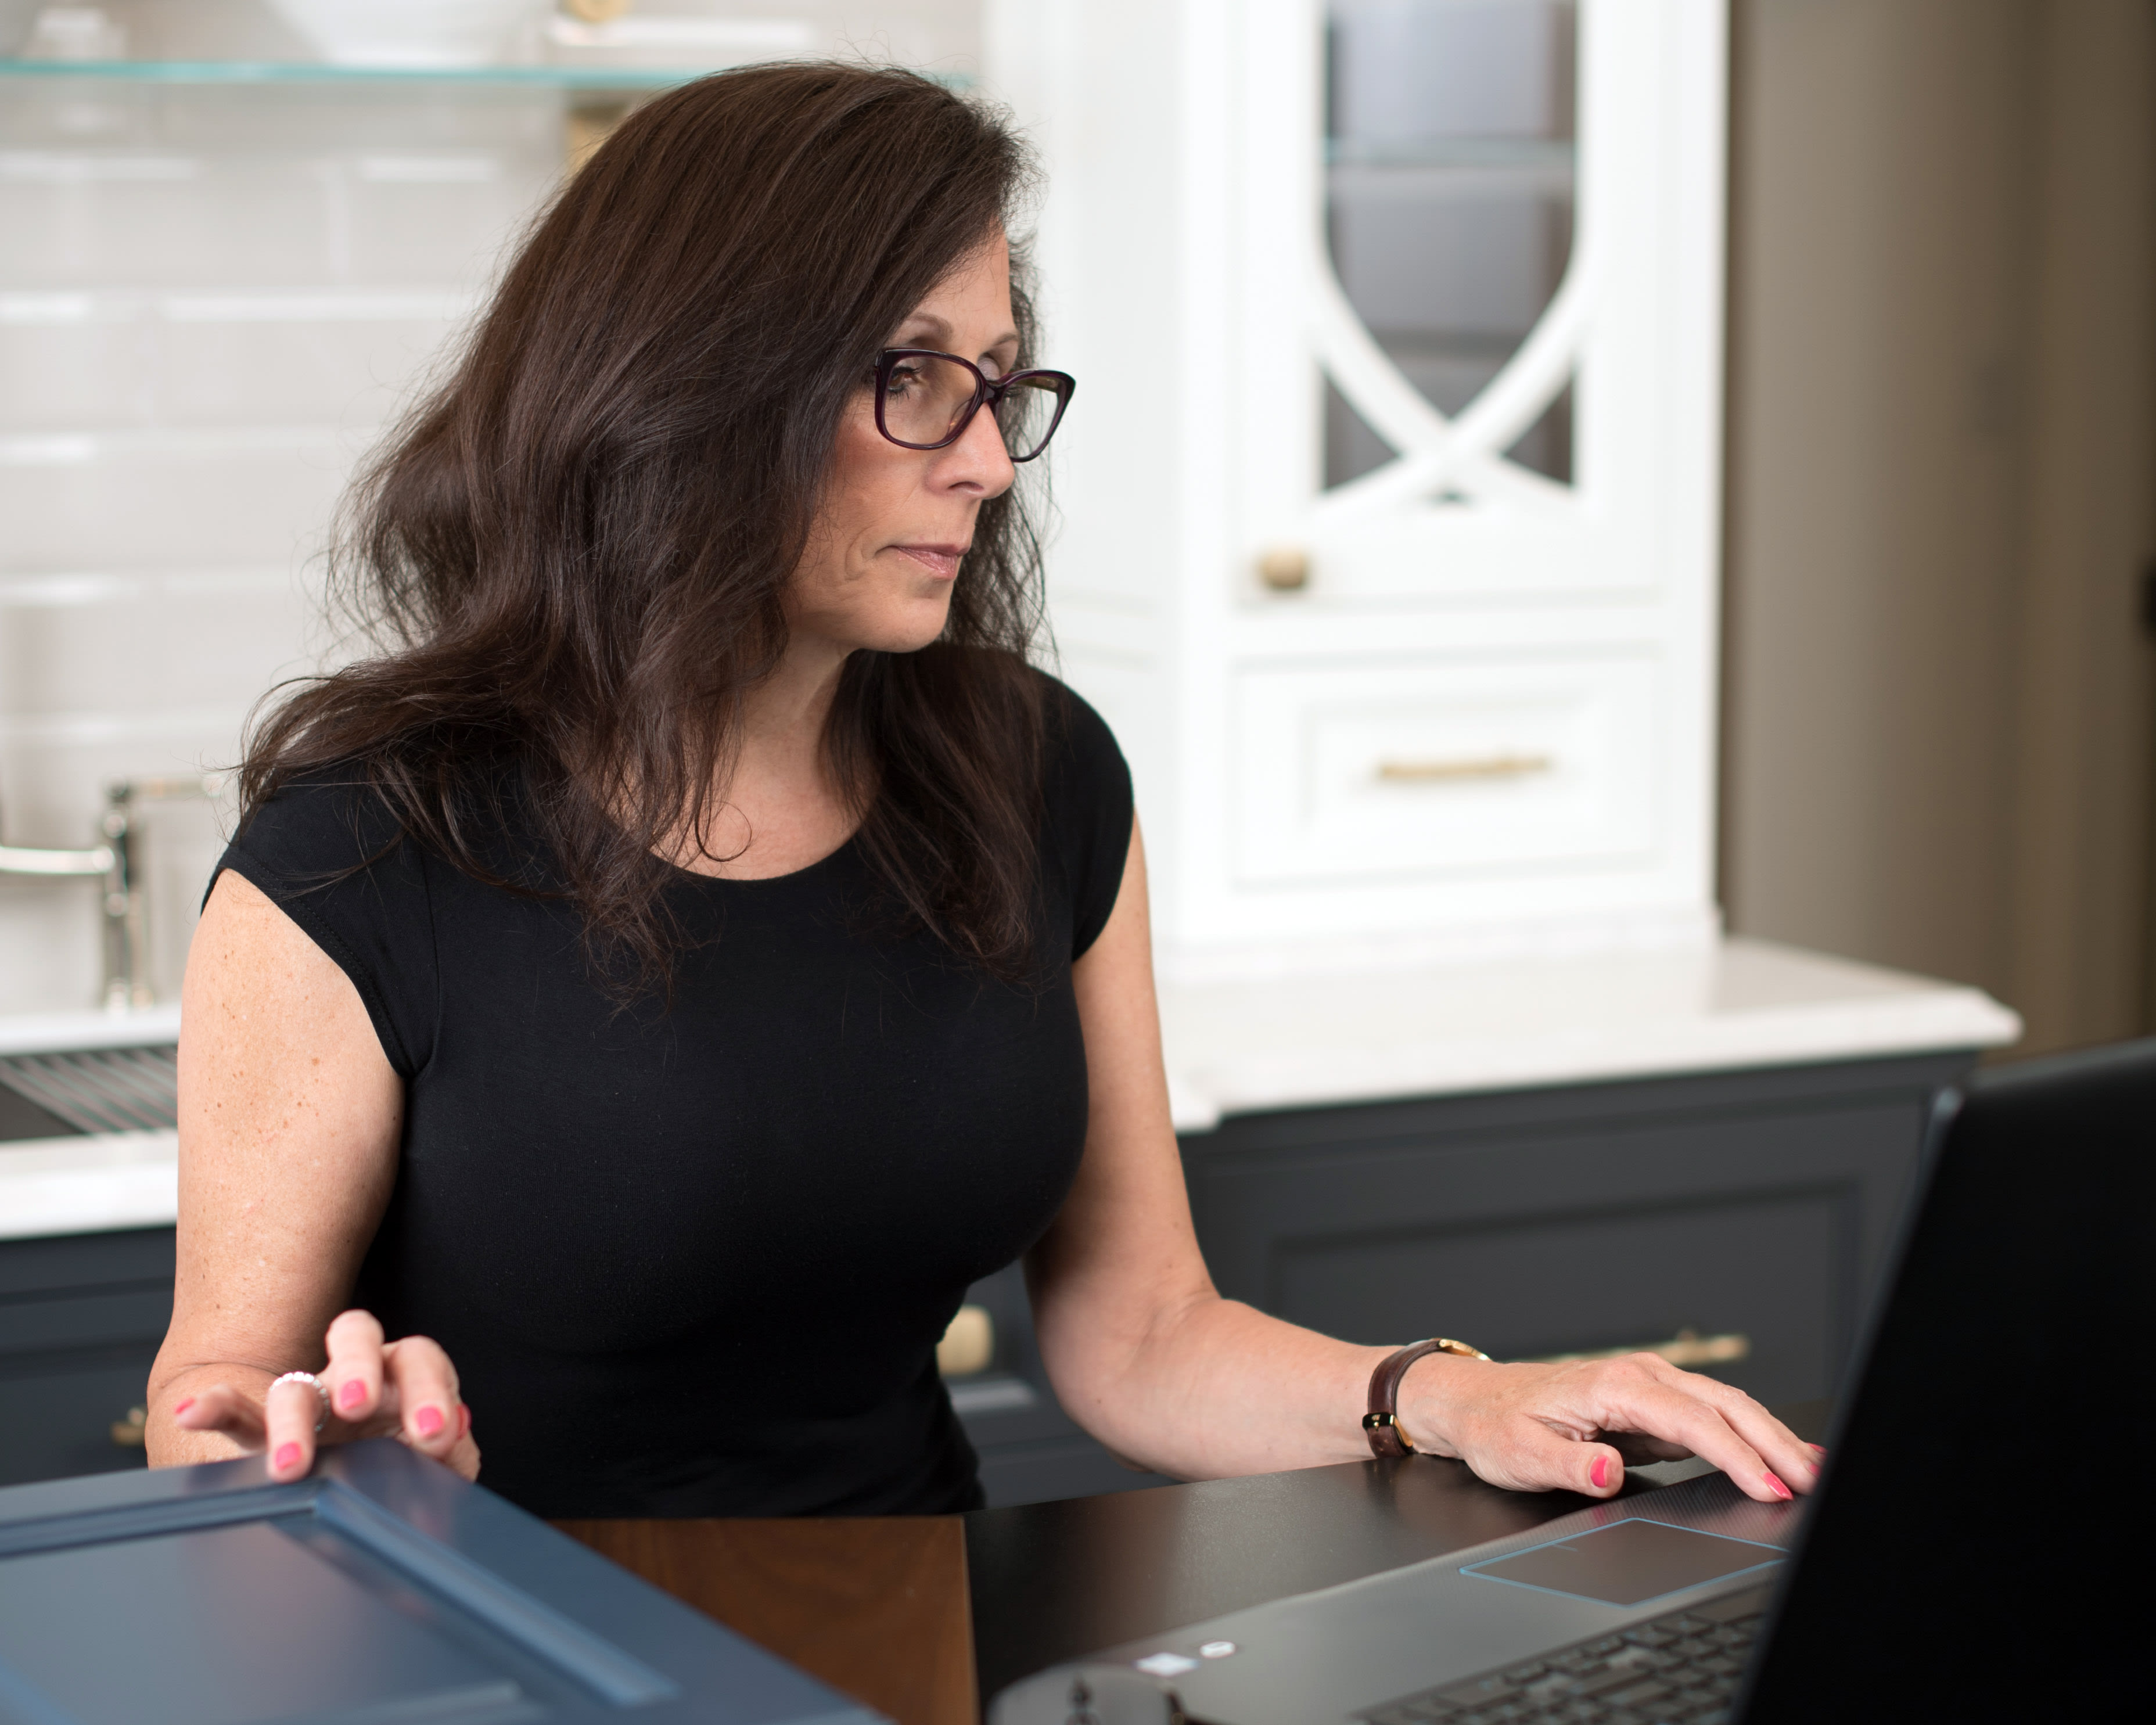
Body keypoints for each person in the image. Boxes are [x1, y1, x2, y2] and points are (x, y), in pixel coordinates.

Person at [145, 63, 1820, 1518]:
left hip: (920, 1631)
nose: (989, 456)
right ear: (700, 387)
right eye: (915, 377)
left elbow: (1140, 1330)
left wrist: (1448, 1392)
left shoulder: (1036, 772)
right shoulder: (365, 851)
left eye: (1002, 381)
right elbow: (212, 1406)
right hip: (524, 1649)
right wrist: (329, 1471)